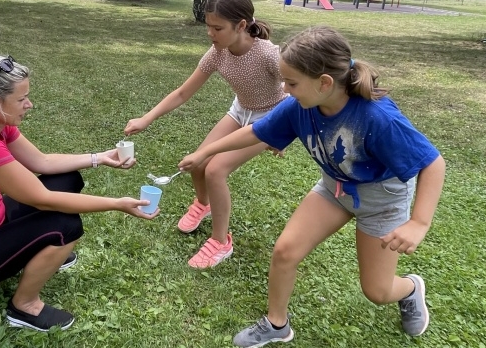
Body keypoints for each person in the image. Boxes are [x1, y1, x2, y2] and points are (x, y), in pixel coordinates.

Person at [178, 26, 445, 345]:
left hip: (381, 202)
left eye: (291, 83)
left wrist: (418, 222)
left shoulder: (378, 118)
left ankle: (411, 288)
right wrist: (206, 151)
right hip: (334, 190)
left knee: (377, 290)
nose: (285, 90)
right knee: (285, 251)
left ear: (324, 83)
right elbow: (256, 131)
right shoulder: (298, 106)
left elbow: (432, 163)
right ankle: (277, 324)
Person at [0, 51, 159, 333]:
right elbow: (41, 198)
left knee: (66, 178)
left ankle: (44, 255)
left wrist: (101, 157)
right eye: (21, 99)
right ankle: (24, 306)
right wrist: (117, 204)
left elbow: (42, 162)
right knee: (65, 226)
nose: (29, 104)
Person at [124, 0, 288, 268]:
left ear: (241, 26)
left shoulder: (269, 55)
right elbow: (182, 93)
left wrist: (281, 134)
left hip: (270, 117)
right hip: (240, 110)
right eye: (208, 27)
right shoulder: (217, 53)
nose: (210, 34)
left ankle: (221, 242)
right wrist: (146, 118)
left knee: (215, 169)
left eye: (217, 28)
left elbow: (296, 94)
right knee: (198, 164)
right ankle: (204, 205)